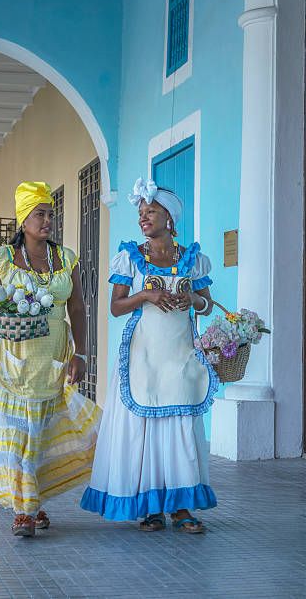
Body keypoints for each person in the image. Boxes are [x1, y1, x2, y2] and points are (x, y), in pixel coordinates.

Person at [81, 178, 219, 533]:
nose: (144, 218)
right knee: (146, 425)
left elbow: (206, 305)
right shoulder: (131, 257)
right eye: (141, 213)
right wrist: (146, 296)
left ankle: (182, 507)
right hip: (143, 351)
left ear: (169, 219)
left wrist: (194, 300)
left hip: (181, 349)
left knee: (180, 421)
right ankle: (151, 507)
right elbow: (114, 307)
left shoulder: (192, 258)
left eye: (151, 212)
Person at [0, 181, 101, 537]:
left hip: (52, 361)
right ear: (23, 219)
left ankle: (33, 502)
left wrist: (80, 352)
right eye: (40, 214)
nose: (47, 221)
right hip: (12, 359)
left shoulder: (66, 259)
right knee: (17, 437)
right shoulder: (1, 258)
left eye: (51, 214)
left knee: (41, 436)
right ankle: (25, 510)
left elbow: (77, 307)